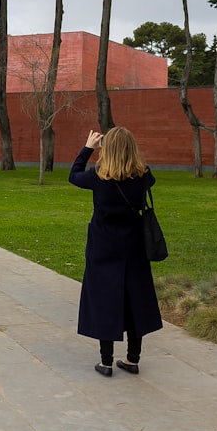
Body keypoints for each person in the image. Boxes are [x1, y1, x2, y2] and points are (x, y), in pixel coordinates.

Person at [69, 127, 163, 377]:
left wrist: (88, 147)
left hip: (103, 246)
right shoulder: (143, 176)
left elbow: (73, 175)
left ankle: (106, 362)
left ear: (106, 149)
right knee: (135, 298)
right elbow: (148, 179)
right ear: (132, 149)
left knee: (103, 299)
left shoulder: (97, 177)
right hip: (134, 247)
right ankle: (133, 359)